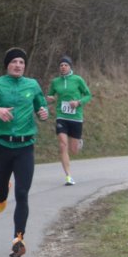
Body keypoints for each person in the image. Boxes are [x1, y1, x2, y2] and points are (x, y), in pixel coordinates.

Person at [0, 47, 49, 257]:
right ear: (7, 65)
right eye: (14, 61)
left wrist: (44, 113)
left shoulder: (32, 85)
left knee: (22, 193)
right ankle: (2, 189)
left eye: (21, 62)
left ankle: (18, 239)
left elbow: (42, 107)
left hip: (25, 147)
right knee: (0, 195)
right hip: (2, 146)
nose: (18, 65)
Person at [45, 55, 92, 185]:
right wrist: (50, 98)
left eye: (66, 65)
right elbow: (50, 95)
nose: (63, 67)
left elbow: (88, 95)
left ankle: (78, 142)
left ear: (70, 67)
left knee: (74, 150)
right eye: (61, 65)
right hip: (61, 116)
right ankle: (68, 176)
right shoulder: (55, 82)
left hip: (76, 117)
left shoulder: (78, 80)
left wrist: (78, 102)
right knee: (62, 145)